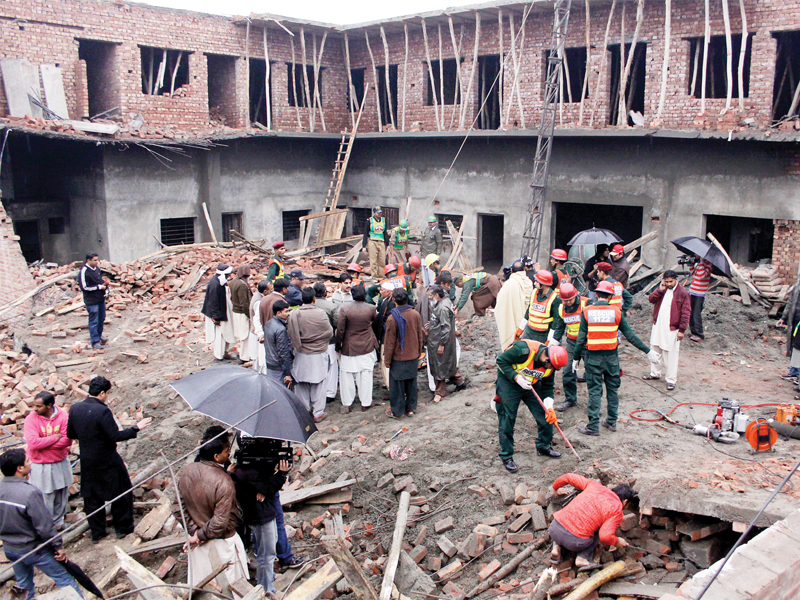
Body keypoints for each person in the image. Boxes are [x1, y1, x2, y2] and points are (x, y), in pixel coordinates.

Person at [67, 376, 151, 543]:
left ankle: (97, 532)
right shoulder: (102, 411)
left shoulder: (75, 408)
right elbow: (115, 436)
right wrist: (135, 428)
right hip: (107, 459)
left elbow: (70, 434)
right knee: (122, 492)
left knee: (91, 497)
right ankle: (123, 528)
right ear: (103, 393)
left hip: (87, 460)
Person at [572, 281, 660, 436]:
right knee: (612, 390)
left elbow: (580, 339)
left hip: (593, 358)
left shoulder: (587, 311)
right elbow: (630, 336)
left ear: (597, 294)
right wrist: (647, 351)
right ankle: (611, 421)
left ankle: (593, 426)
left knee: (594, 390)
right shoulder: (616, 312)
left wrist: (575, 359)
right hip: (612, 358)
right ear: (611, 296)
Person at [0, 449, 83, 600]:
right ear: (19, 469)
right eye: (27, 461)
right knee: (64, 580)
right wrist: (58, 546)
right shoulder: (29, 493)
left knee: (23, 585)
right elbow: (44, 526)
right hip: (34, 550)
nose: (30, 463)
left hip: (10, 549)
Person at [174, 428, 248, 589]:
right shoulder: (223, 482)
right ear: (216, 456)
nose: (230, 453)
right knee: (228, 587)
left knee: (204, 587)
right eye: (227, 450)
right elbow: (219, 522)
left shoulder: (187, 471)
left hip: (199, 542)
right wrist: (199, 535)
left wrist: (194, 531)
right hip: (222, 544)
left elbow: (177, 507)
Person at [495, 341, 569, 472]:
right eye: (550, 366)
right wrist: (516, 378)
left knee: (544, 415)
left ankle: (543, 446)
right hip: (509, 383)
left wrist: (549, 407)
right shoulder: (522, 350)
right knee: (508, 417)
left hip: (531, 384)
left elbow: (548, 387)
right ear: (546, 359)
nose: (550, 370)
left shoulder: (550, 366)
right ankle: (506, 456)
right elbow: (501, 361)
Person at [549, 474, 636, 569]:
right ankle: (582, 558)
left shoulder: (594, 486)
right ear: (625, 501)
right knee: (598, 532)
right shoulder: (617, 509)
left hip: (554, 529)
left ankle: (556, 547)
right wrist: (616, 541)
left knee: (565, 520)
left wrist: (555, 488)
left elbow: (568, 477)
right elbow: (605, 536)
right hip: (575, 542)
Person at [232, 458, 292, 594]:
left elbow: (266, 488)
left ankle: (267, 580)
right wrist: (280, 474)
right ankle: (266, 590)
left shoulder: (246, 468)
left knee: (268, 551)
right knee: (266, 553)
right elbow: (266, 487)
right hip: (260, 515)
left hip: (263, 512)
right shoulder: (248, 470)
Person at [23, 391, 72, 530]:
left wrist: (43, 444)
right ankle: (45, 528)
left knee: (61, 494)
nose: (35, 409)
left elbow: (67, 440)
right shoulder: (31, 419)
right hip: (40, 464)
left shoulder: (63, 417)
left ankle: (58, 524)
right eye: (34, 405)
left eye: (38, 406)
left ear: (49, 405)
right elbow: (33, 443)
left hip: (60, 461)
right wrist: (55, 438)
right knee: (44, 497)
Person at [287, 288, 334, 423]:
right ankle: (318, 413)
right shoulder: (321, 314)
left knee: (301, 383)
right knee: (319, 384)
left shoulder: (293, 314)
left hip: (300, 352)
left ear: (302, 299)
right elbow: (329, 333)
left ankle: (304, 411)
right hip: (318, 353)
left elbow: (290, 334)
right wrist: (318, 341)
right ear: (314, 300)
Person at [644, 270, 691, 391]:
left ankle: (671, 380)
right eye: (666, 281)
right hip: (658, 325)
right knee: (655, 348)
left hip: (672, 328)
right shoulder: (662, 289)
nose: (669, 284)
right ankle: (655, 373)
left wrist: (682, 330)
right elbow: (651, 299)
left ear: (676, 280)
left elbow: (686, 312)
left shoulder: (683, 293)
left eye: (671, 281)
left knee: (670, 354)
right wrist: (659, 290)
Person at [336, 285, 378, 413]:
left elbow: (341, 330)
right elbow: (374, 324)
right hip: (366, 345)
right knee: (365, 374)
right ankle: (366, 402)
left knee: (346, 375)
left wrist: (338, 345)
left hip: (349, 346)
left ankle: (347, 402)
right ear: (365, 295)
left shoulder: (345, 309)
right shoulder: (371, 308)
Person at [384, 288, 424, 418]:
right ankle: (411, 409)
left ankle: (397, 411)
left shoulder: (392, 318)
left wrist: (387, 360)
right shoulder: (415, 314)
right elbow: (419, 335)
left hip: (398, 358)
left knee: (397, 386)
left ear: (394, 300)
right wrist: (419, 351)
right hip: (412, 355)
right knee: (411, 383)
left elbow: (390, 342)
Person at [551, 283, 588, 412]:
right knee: (567, 371)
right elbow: (559, 329)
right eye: (565, 301)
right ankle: (570, 399)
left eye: (570, 300)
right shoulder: (562, 309)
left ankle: (595, 403)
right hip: (572, 343)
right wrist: (552, 345)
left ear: (576, 296)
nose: (568, 303)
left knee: (592, 373)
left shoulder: (586, 304)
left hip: (587, 343)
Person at [426, 285, 466, 403]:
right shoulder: (445, 302)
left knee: (439, 365)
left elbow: (446, 327)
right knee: (446, 364)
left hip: (439, 341)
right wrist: (433, 323)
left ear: (437, 296)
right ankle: (459, 382)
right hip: (440, 339)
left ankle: (439, 392)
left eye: (431, 295)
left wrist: (441, 344)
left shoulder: (442, 308)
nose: (429, 298)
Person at [495, 260, 534, 350]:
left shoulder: (509, 284)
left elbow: (501, 303)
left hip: (514, 320)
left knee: (512, 342)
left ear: (512, 271)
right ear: (524, 270)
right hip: (528, 321)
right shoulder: (529, 282)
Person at [202, 263, 236, 361]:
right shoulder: (215, 284)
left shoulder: (219, 281)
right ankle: (218, 356)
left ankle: (224, 352)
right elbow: (213, 301)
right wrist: (216, 317)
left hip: (222, 312)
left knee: (225, 333)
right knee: (219, 336)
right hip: (217, 315)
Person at [518, 270, 563, 344]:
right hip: (529, 331)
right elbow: (529, 311)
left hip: (543, 335)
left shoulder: (555, 299)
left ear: (543, 284)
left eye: (537, 281)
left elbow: (556, 322)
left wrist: (550, 339)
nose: (534, 283)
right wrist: (521, 328)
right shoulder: (534, 292)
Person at [314, 282, 339, 404]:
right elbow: (337, 323)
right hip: (329, 341)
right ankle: (330, 392)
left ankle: (317, 392)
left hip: (313, 342)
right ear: (325, 292)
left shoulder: (309, 306)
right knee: (332, 366)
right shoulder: (331, 306)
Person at [79, 252, 108, 350]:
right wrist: (99, 287)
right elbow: (84, 287)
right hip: (91, 301)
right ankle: (95, 341)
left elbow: (99, 281)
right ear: (88, 260)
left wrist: (104, 285)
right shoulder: (84, 271)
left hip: (100, 299)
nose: (97, 262)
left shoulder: (97, 269)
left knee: (101, 318)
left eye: (97, 260)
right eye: (95, 260)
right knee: (94, 321)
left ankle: (99, 336)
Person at [264, 300, 294, 387]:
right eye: (286, 311)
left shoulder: (268, 324)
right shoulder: (281, 329)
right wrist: (287, 372)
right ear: (278, 313)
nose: (288, 313)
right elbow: (283, 352)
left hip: (270, 363)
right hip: (278, 366)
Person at [229, 265, 253, 363]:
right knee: (245, 336)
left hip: (236, 311)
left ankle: (241, 353)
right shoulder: (242, 285)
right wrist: (250, 315)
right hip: (242, 313)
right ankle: (244, 357)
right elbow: (244, 303)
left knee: (240, 335)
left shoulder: (233, 281)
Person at [688, 255, 712, 342]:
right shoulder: (699, 264)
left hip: (700, 293)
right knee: (690, 312)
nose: (695, 255)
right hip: (693, 291)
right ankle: (693, 332)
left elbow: (702, 275)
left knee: (696, 314)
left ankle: (699, 334)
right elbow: (694, 274)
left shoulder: (708, 264)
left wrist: (701, 262)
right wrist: (691, 265)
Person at [778, 293, 800, 384]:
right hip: (796, 320)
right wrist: (783, 317)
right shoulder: (797, 286)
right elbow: (790, 302)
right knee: (795, 346)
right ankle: (794, 371)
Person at [361, 206, 388, 280]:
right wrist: (364, 246)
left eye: (380, 212)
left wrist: (387, 244)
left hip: (381, 242)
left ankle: (381, 276)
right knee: (373, 261)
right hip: (372, 241)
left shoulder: (383, 220)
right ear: (374, 213)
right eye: (378, 212)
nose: (379, 214)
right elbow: (365, 234)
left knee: (382, 260)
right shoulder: (369, 220)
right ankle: (375, 277)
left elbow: (385, 233)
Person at [250, 279, 271, 374]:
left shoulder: (258, 297)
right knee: (259, 359)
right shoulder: (259, 301)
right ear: (265, 291)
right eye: (271, 289)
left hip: (257, 333)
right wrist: (261, 334)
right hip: (258, 334)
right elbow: (257, 319)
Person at [420, 216, 443, 286]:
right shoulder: (426, 229)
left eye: (432, 222)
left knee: (431, 271)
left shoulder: (437, 231)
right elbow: (423, 241)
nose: (430, 224)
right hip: (424, 253)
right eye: (429, 222)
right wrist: (420, 249)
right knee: (424, 270)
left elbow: (439, 243)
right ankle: (426, 285)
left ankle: (432, 285)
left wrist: (438, 254)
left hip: (432, 254)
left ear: (435, 223)